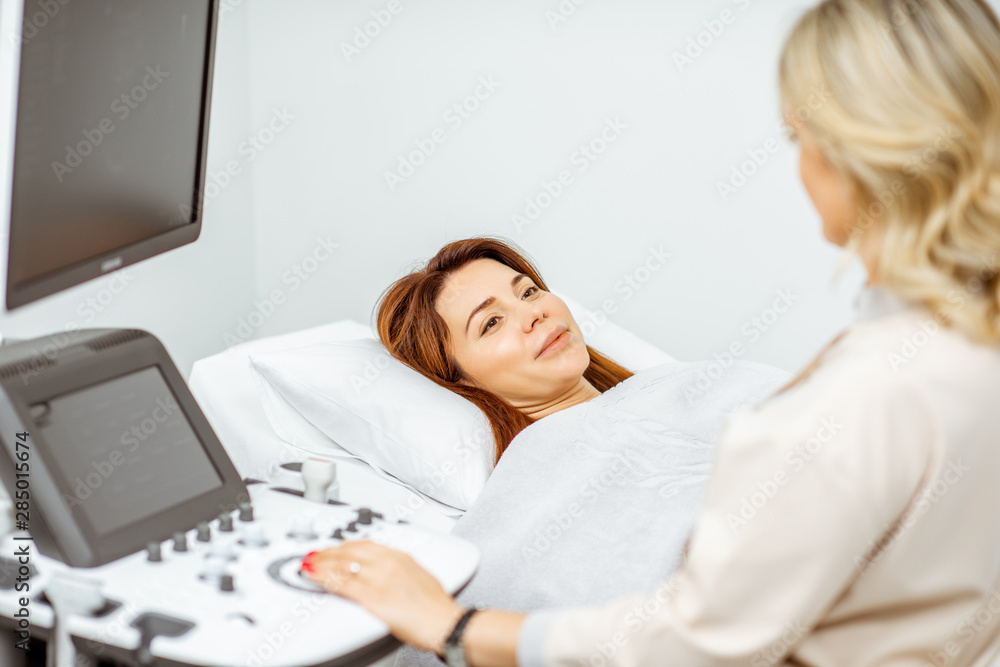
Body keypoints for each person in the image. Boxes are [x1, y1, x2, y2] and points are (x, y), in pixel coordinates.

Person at [303, 0, 1000, 664]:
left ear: (856, 157)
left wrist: (453, 627)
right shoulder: (958, 347)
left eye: (529, 291)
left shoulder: (855, 391)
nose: (535, 313)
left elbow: (701, 641)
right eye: (492, 322)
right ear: (456, 379)